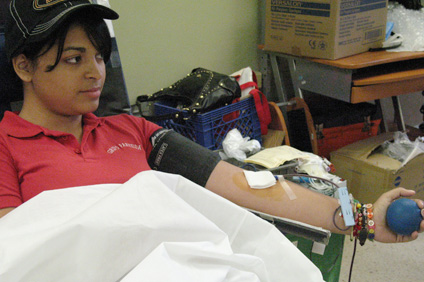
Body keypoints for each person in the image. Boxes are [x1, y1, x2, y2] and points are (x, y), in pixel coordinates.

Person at [1, 0, 423, 249]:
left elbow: (248, 185)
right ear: (24, 66)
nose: (96, 73)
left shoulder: (130, 130)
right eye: (75, 59)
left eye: (98, 56)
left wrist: (362, 217)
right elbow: (19, 254)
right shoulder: (6, 146)